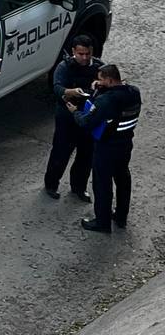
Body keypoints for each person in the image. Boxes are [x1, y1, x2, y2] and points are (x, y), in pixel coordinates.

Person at [69, 63, 141, 232]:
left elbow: (87, 122)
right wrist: (100, 89)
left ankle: (102, 222)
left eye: (100, 79)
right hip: (125, 144)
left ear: (109, 80)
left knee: (102, 184)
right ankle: (121, 216)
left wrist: (75, 112)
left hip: (107, 147)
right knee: (123, 179)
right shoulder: (134, 92)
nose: (98, 82)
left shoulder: (106, 100)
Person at [43, 35, 101, 201]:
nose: (84, 58)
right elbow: (57, 88)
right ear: (74, 51)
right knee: (60, 153)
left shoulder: (99, 68)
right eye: (80, 54)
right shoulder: (64, 67)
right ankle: (51, 185)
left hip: (87, 118)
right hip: (67, 118)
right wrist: (71, 92)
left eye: (87, 54)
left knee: (86, 156)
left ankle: (79, 187)